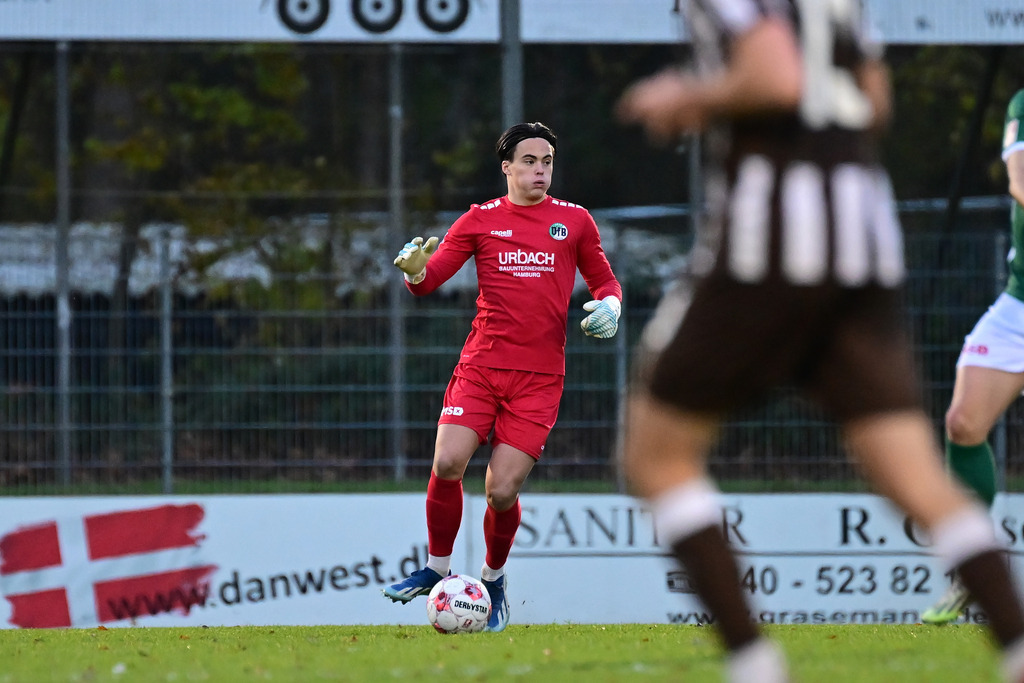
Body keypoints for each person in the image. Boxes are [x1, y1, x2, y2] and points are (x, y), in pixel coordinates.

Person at [616, 2, 1024, 681]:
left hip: (773, 240)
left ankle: (754, 663)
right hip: (864, 235)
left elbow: (775, 75)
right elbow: (875, 100)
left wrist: (688, 96)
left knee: (656, 455)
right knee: (915, 476)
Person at [381, 122, 623, 632]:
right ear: (507, 167)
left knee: (502, 492)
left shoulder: (574, 221)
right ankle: (437, 569)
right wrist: (416, 271)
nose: (540, 170)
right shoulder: (480, 219)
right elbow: (428, 283)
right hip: (481, 367)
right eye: (530, 161)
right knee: (448, 462)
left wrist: (611, 306)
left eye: (547, 161)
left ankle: (492, 581)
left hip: (539, 379)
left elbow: (604, 280)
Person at [922, 87, 1024, 626]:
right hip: (1019, 305)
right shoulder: (1023, 104)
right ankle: (973, 572)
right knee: (963, 423)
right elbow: (1020, 180)